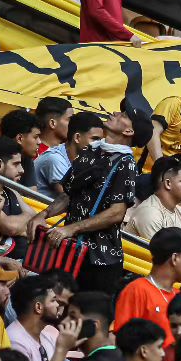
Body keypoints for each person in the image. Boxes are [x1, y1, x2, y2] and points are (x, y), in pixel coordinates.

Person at [27, 114, 138, 296]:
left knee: (89, 315)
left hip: (100, 261)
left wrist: (71, 229)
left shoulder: (126, 163)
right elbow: (69, 195)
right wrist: (44, 214)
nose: (115, 113)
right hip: (71, 252)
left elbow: (117, 212)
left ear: (128, 131)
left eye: (123, 116)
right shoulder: (90, 152)